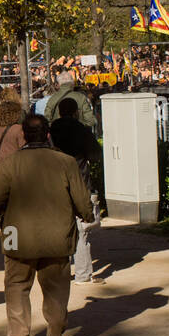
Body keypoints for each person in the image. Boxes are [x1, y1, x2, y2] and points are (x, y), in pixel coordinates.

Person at [0, 114, 94, 336]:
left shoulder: (12, 162)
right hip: (57, 236)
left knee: (16, 284)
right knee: (56, 289)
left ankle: (18, 334)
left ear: (23, 135)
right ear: (48, 134)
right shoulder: (66, 162)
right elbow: (82, 199)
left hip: (18, 236)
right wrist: (87, 215)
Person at [50, 96, 104, 285]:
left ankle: (60, 272)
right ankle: (83, 274)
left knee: (60, 230)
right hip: (80, 181)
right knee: (82, 231)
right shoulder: (81, 130)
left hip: (56, 183)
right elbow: (96, 154)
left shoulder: (51, 130)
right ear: (76, 112)